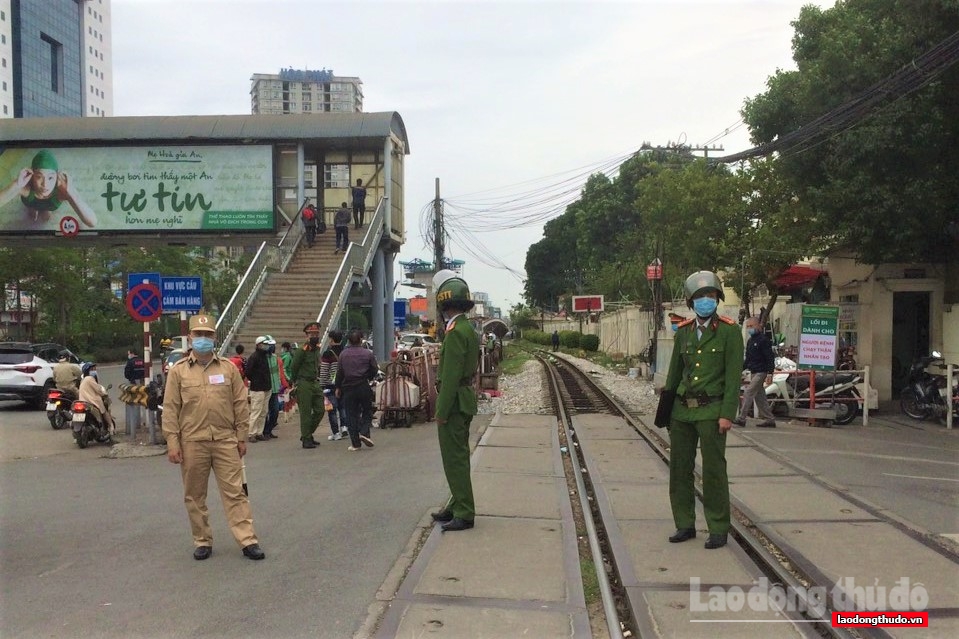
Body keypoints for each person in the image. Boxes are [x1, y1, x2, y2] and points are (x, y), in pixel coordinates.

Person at [162, 311, 265, 561]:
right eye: (199, 334)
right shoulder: (178, 372)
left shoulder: (229, 369)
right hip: (192, 442)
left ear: (214, 337)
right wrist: (173, 443)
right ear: (190, 336)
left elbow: (240, 404)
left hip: (224, 440)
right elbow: (171, 408)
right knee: (195, 495)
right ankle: (202, 540)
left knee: (235, 492)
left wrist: (241, 437)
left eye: (208, 335)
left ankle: (247, 539)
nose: (203, 339)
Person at [662, 270, 743, 550]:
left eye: (710, 295)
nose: (705, 301)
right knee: (679, 469)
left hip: (712, 410)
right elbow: (674, 374)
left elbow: (734, 377)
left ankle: (718, 526)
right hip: (682, 412)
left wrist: (727, 414)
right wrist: (666, 413)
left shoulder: (730, 332)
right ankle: (684, 523)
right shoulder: (683, 331)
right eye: (699, 297)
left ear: (718, 299)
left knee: (713, 471)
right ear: (690, 301)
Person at [429, 270, 479, 532]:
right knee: (457, 457)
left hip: (455, 403)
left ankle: (464, 512)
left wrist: (441, 410)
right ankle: (455, 503)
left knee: (455, 459)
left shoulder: (456, 332)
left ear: (444, 304)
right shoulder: (465, 328)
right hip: (463, 400)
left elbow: (449, 377)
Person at [0, 149, 98, 228]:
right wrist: (16, 184)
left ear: (56, 176)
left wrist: (71, 192)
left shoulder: (62, 189)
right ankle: (34, 209)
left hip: (50, 205)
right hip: (31, 203)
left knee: (47, 213)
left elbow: (92, 222)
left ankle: (46, 210)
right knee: (32, 209)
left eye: (50, 177)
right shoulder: (25, 187)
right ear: (32, 176)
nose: (45, 184)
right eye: (39, 177)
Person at [334, 330, 379, 451]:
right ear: (361, 340)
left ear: (348, 340)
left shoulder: (343, 354)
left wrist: (338, 387)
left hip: (348, 388)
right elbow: (374, 369)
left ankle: (355, 444)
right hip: (363, 386)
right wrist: (368, 377)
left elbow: (340, 373)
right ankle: (364, 432)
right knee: (367, 410)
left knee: (351, 415)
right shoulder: (368, 354)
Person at [735, 316, 777, 428]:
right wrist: (739, 370)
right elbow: (748, 359)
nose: (749, 328)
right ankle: (769, 419)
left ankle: (741, 418)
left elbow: (769, 357)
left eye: (751, 326)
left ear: (758, 326)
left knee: (748, 392)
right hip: (753, 371)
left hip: (761, 371)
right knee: (760, 397)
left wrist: (770, 373)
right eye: (748, 326)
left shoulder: (763, 340)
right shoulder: (750, 341)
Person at [289, 322, 326, 449]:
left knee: (320, 410)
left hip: (314, 382)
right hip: (304, 383)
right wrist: (294, 383)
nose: (315, 336)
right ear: (307, 336)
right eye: (312, 334)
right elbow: (294, 367)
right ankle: (306, 439)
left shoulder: (317, 350)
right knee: (305, 413)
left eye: (316, 334)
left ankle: (307, 434)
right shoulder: (301, 351)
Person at [319, 330, 348, 441]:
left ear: (331, 339)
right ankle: (344, 427)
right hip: (344, 384)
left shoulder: (328, 353)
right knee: (342, 407)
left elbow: (324, 371)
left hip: (330, 386)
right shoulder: (345, 352)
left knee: (331, 410)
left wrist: (322, 385)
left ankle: (336, 433)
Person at [245, 336, 273, 442]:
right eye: (264, 344)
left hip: (266, 387)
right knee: (256, 411)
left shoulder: (265, 356)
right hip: (257, 388)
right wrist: (256, 380)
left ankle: (259, 432)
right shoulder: (254, 357)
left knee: (263, 412)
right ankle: (251, 433)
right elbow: (248, 372)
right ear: (258, 345)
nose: (266, 346)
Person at [78, 362, 114, 438]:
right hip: (91, 401)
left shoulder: (83, 379)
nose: (94, 370)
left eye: (94, 369)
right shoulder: (90, 379)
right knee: (104, 411)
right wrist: (104, 394)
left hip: (82, 401)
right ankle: (111, 427)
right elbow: (98, 389)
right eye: (92, 369)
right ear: (87, 371)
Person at [263, 336, 287, 440]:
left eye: (273, 345)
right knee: (264, 412)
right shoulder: (261, 359)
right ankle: (265, 431)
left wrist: (283, 384)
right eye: (270, 345)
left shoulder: (275, 359)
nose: (272, 347)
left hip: (275, 389)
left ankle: (269, 429)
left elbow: (279, 373)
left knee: (275, 411)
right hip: (265, 389)